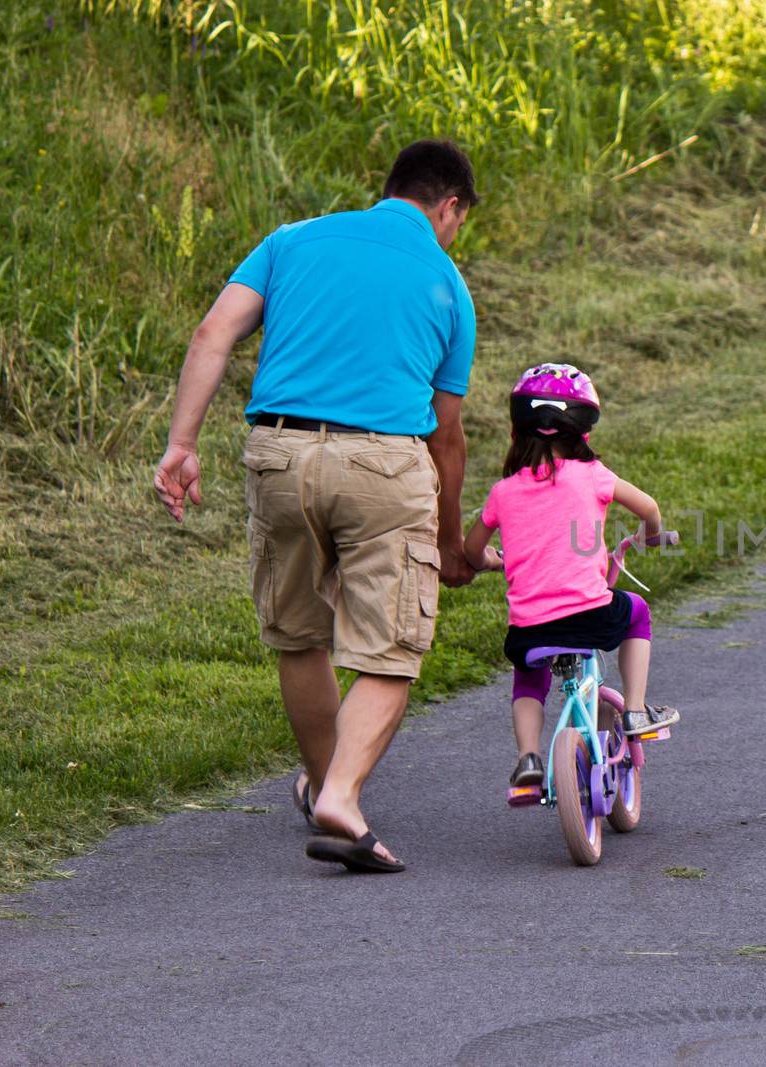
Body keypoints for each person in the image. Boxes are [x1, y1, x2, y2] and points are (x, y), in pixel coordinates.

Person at [153, 140, 481, 874]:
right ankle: (341, 792)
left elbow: (212, 334)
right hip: (382, 461)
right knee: (392, 647)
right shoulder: (447, 282)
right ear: (449, 206)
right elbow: (447, 432)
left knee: (298, 632)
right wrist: (452, 539)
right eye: (459, 220)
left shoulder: (291, 240)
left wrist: (182, 443)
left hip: (278, 454)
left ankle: (327, 784)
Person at [461, 363, 680, 788]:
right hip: (590, 615)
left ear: (514, 434)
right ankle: (634, 709)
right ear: (584, 435)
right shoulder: (593, 474)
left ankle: (528, 757)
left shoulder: (502, 493)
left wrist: (490, 560)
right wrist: (650, 537)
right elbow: (649, 507)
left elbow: (472, 549)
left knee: (528, 676)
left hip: (528, 629)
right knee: (637, 612)